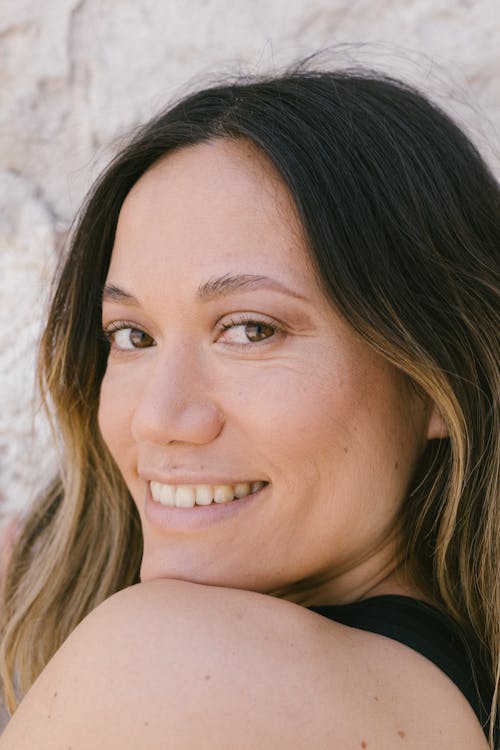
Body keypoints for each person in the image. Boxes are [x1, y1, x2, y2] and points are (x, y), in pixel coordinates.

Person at [0, 65, 498, 749]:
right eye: (132, 336)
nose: (158, 418)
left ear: (438, 378)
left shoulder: (161, 663)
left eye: (251, 330)